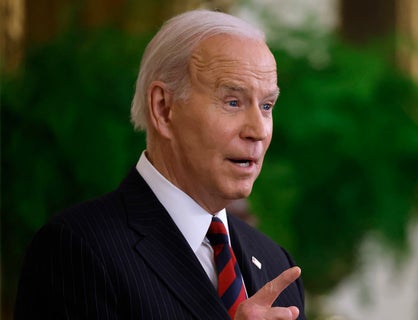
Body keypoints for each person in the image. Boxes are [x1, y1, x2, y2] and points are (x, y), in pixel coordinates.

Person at [14, 9, 306, 320]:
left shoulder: (277, 266)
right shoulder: (77, 250)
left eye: (266, 106)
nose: (258, 130)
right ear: (163, 109)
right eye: (232, 102)